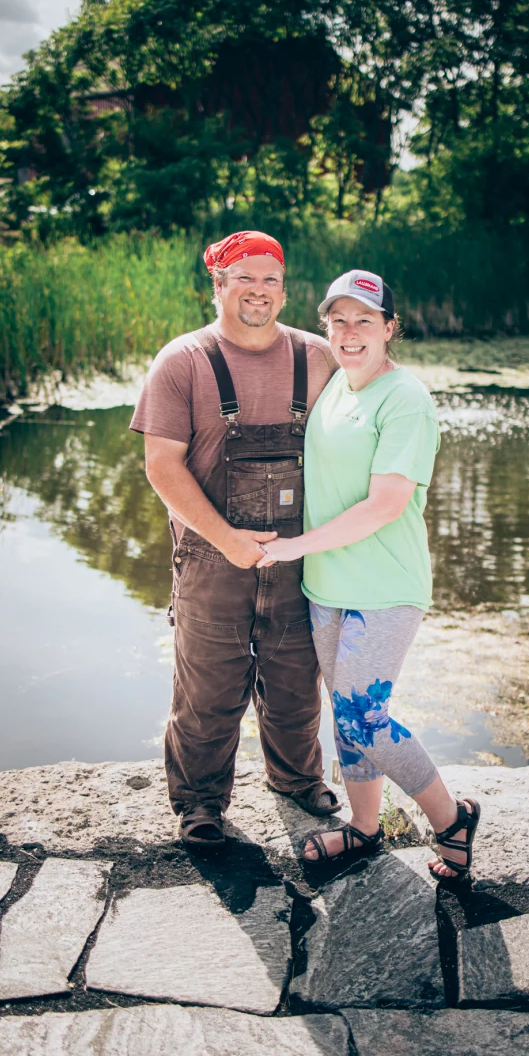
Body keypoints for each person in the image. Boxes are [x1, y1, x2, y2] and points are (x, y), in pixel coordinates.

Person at [258, 269, 481, 878]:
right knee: (344, 712)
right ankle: (363, 827)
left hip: (383, 588)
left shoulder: (405, 397)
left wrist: (293, 545)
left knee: (366, 715)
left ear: (389, 328)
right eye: (338, 319)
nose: (349, 331)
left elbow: (386, 505)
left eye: (364, 320)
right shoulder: (335, 385)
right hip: (328, 585)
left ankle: (452, 819)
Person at [130, 230, 341, 848]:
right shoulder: (182, 361)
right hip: (209, 556)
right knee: (208, 689)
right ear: (218, 285)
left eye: (270, 279)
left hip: (299, 555)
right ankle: (199, 803)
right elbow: (161, 466)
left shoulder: (316, 357)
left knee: (297, 680)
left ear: (284, 288)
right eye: (243, 278)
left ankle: (297, 778)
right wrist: (225, 539)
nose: (258, 291)